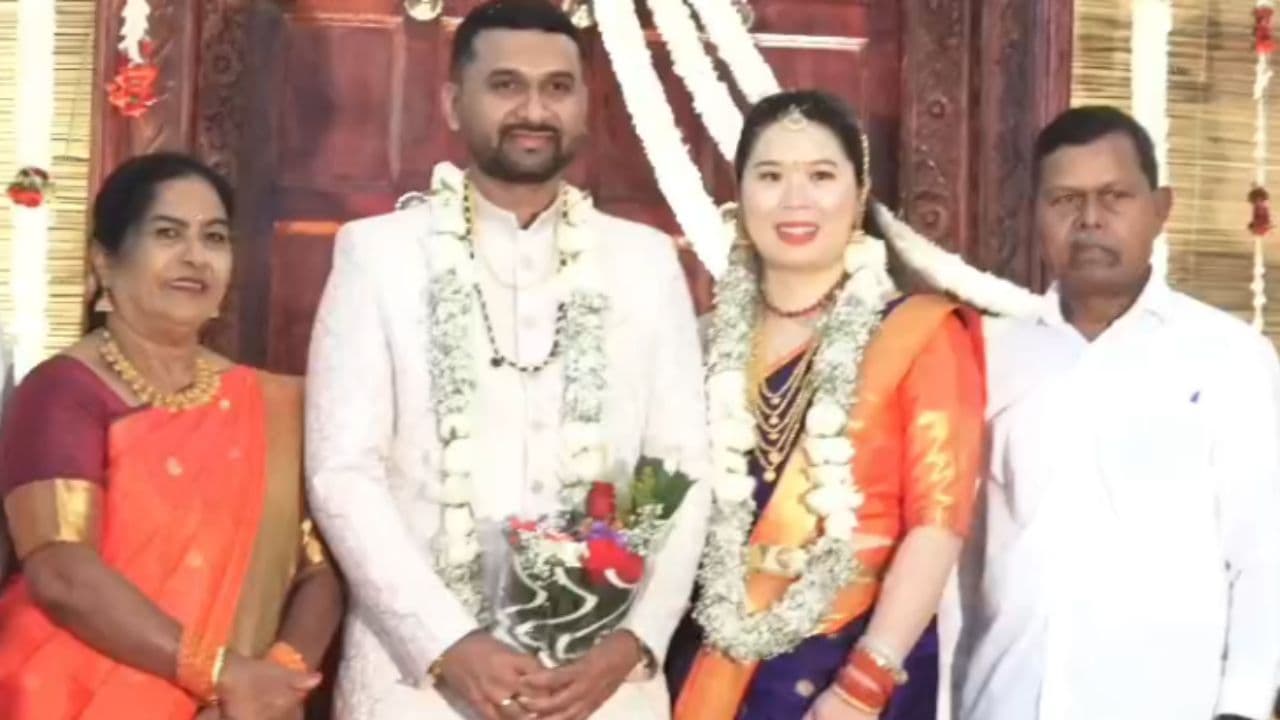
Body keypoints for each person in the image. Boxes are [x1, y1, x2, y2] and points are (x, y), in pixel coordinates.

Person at [303, 1, 709, 718]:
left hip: (604, 688)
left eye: (558, 88)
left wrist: (633, 642)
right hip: (417, 689)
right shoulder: (378, 256)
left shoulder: (646, 264)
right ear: (452, 104)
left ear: (584, 107)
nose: (534, 110)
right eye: (505, 85)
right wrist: (445, 641)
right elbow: (343, 473)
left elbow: (680, 467)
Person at [665, 90, 986, 720]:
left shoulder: (920, 334)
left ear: (859, 194)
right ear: (739, 196)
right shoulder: (704, 342)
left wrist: (863, 685)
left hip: (852, 666)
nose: (795, 200)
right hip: (709, 659)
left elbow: (938, 522)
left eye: (820, 176)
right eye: (770, 176)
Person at [953, 105, 1280, 720]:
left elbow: (1265, 556)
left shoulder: (1229, 358)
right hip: (1004, 702)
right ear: (1035, 214)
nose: (1089, 220)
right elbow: (961, 563)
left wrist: (1242, 707)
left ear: (1160, 208)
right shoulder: (990, 356)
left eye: (1115, 196)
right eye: (1065, 200)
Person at [0, 152, 344, 720]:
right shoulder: (61, 391)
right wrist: (220, 674)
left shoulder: (274, 404)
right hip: (71, 697)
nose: (195, 257)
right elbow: (61, 572)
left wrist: (274, 678)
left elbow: (323, 568)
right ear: (105, 260)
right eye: (167, 233)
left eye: (214, 237)